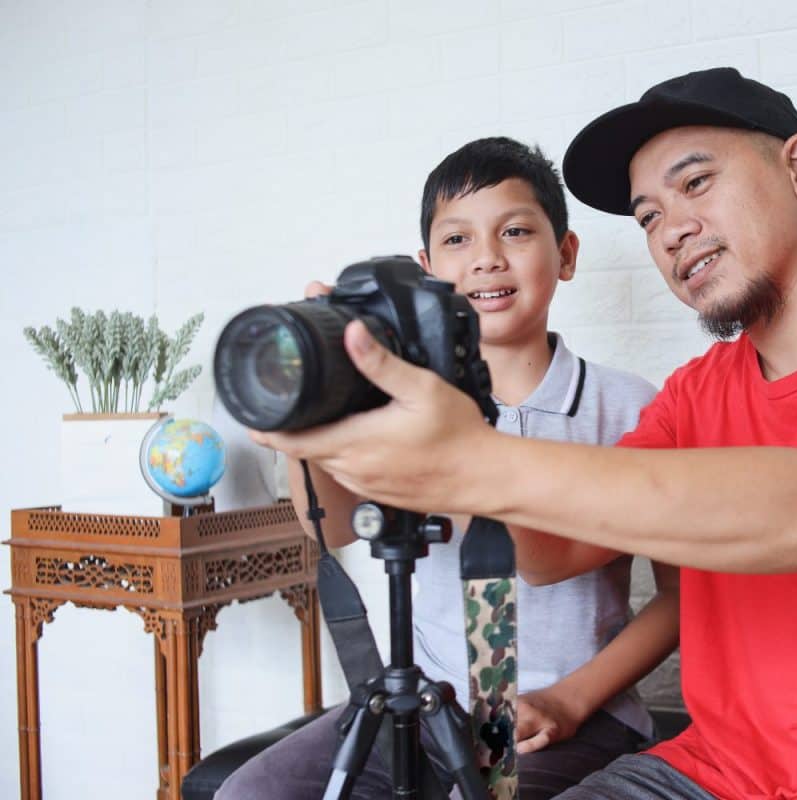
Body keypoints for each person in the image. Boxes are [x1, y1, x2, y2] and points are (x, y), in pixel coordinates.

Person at [254, 68, 797, 800]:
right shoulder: (695, 396)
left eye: (696, 185)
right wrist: (385, 424)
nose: (672, 230)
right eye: (649, 216)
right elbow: (550, 553)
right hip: (725, 767)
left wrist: (477, 460)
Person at [220, 137, 680, 800]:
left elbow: (680, 597)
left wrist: (574, 699)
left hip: (567, 715)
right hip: (424, 702)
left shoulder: (629, 406)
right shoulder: (397, 404)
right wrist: (314, 414)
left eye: (516, 231)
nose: (487, 258)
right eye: (457, 240)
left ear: (567, 254)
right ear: (427, 270)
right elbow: (337, 526)